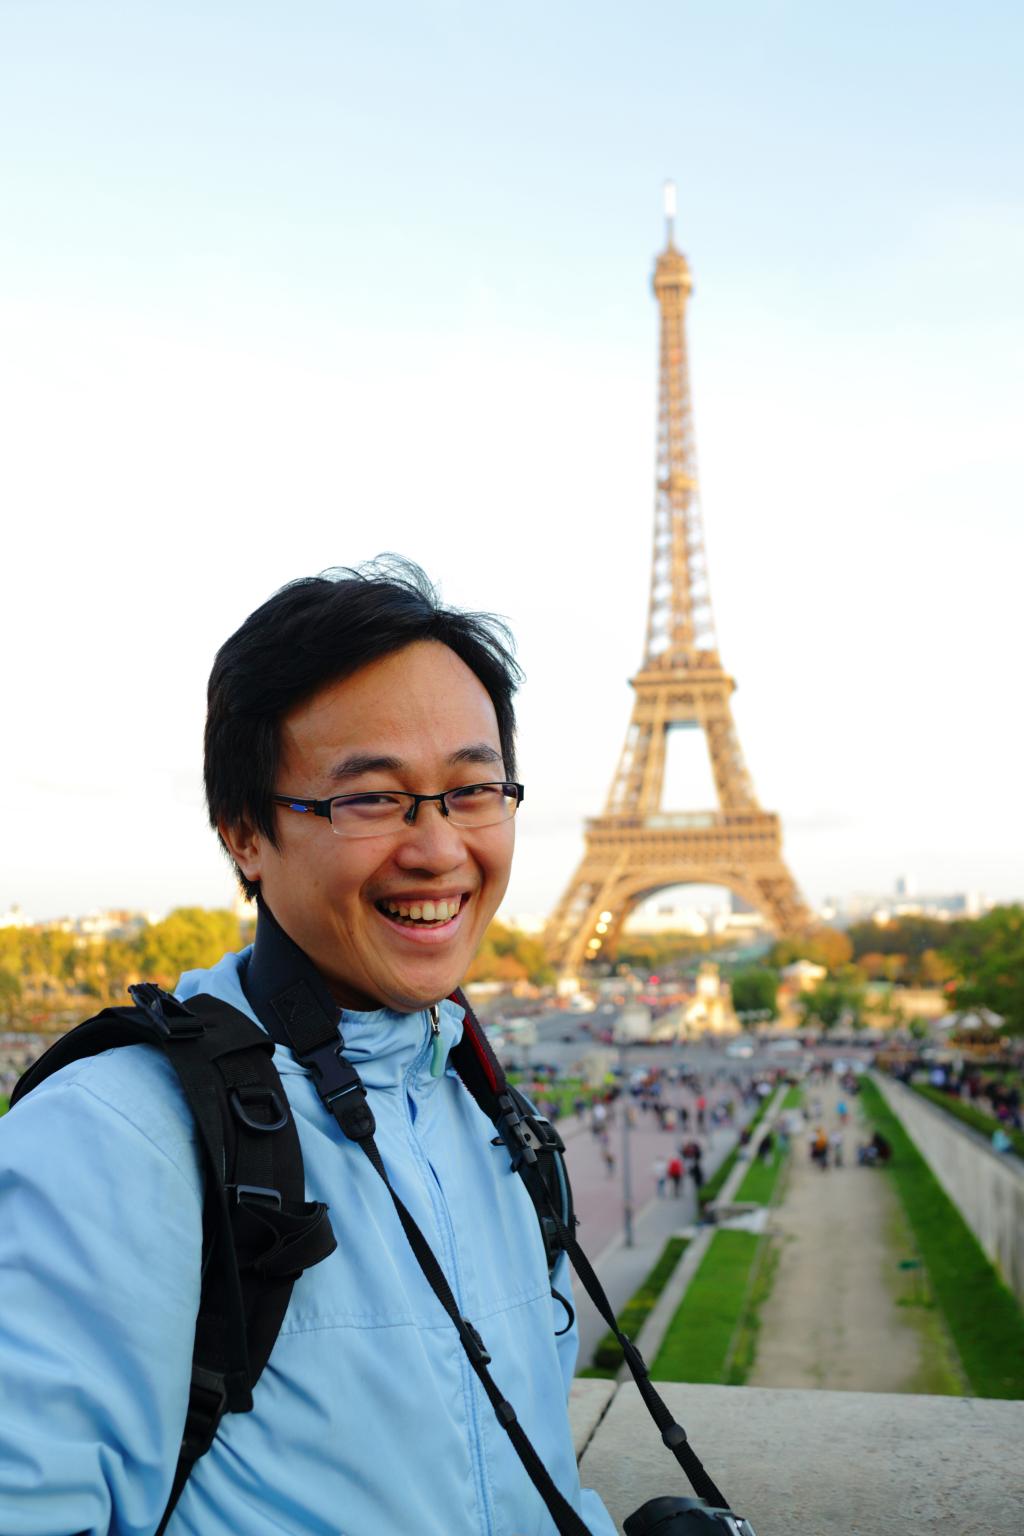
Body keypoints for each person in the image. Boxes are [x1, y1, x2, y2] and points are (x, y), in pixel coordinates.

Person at [0, 561, 617, 1536]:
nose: (439, 847)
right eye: (371, 800)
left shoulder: (481, 1102)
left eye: (472, 789)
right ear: (244, 833)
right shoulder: (114, 1135)